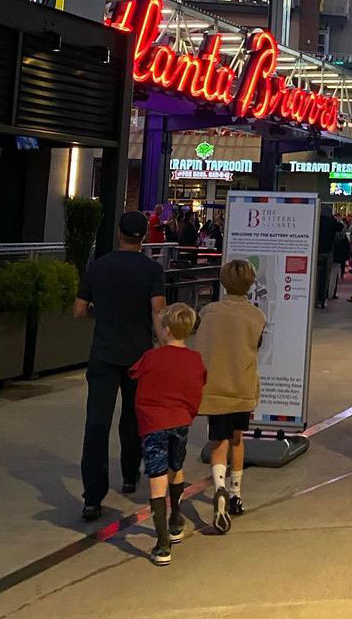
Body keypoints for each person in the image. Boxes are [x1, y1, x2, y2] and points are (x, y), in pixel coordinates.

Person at [73, 210, 167, 522]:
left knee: (97, 424)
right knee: (132, 418)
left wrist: (100, 313)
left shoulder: (98, 267)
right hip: (138, 356)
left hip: (103, 355)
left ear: (119, 234)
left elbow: (79, 310)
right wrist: (166, 346)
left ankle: (92, 498)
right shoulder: (152, 270)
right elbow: (158, 312)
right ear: (143, 237)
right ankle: (129, 475)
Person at [129, 302, 206, 565]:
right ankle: (176, 520)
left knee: (156, 479)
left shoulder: (150, 357)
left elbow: (138, 385)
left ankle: (162, 545)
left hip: (154, 423)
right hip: (181, 421)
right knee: (177, 468)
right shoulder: (195, 360)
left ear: (165, 329)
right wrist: (188, 414)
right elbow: (196, 391)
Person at [193, 259, 266, 533]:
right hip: (242, 387)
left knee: (217, 442)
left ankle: (219, 487)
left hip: (214, 387)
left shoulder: (209, 312)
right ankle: (236, 495)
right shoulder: (256, 316)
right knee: (238, 439)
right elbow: (257, 345)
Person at [315, 204, 339, 311]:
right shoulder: (332, 222)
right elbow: (341, 228)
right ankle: (322, 299)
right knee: (325, 277)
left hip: (316, 252)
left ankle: (314, 298)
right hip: (327, 252)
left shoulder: (316, 221)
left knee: (315, 277)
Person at [332, 222, 350, 300]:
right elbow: (346, 248)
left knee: (331, 275)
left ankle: (328, 292)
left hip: (332, 257)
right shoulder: (343, 238)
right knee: (335, 276)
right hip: (339, 258)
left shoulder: (332, 236)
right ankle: (333, 292)